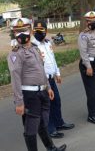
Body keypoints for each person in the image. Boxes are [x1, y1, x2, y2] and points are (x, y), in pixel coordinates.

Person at [7, 18, 66, 151]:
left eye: (25, 30)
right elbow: (15, 79)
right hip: (29, 95)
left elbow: (41, 69)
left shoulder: (35, 49)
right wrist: (19, 102)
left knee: (42, 124)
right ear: (14, 33)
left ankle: (51, 148)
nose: (22, 33)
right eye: (18, 31)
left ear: (30, 30)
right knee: (31, 128)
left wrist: (49, 87)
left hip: (42, 91)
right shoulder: (15, 54)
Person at [32, 20, 75, 139]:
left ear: (46, 32)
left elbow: (52, 59)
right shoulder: (32, 47)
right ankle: (50, 129)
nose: (39, 33)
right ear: (33, 31)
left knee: (56, 101)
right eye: (37, 31)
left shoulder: (47, 43)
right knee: (47, 105)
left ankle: (59, 123)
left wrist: (57, 73)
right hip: (42, 81)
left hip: (51, 79)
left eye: (41, 31)